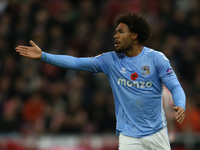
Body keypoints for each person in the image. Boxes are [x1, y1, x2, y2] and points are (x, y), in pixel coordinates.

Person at [15, 12, 186, 150]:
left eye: (121, 32)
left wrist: (180, 104)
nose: (115, 36)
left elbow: (175, 86)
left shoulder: (156, 59)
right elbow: (77, 62)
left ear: (134, 35)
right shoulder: (110, 60)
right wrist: (44, 56)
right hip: (129, 136)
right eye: (115, 31)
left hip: (157, 133)